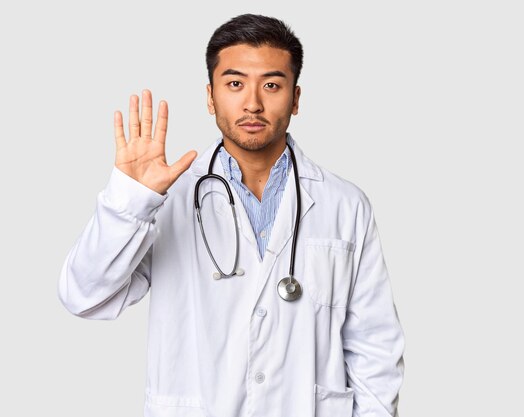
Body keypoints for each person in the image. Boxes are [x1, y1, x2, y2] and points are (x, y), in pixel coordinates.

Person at [59, 13, 404, 417]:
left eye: (272, 85)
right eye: (235, 84)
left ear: (295, 98)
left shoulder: (346, 204)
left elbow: (374, 347)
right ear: (210, 96)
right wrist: (131, 200)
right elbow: (84, 297)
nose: (253, 103)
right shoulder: (167, 198)